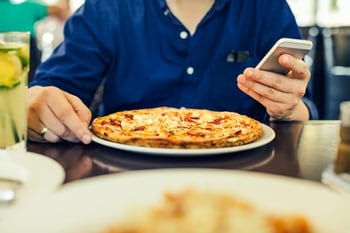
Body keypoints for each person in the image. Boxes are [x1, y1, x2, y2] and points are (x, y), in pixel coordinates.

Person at [27, 0, 319, 144]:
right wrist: (40, 102)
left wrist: (289, 109)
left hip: (247, 178)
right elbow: (53, 89)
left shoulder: (266, 7)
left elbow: (303, 108)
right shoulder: (108, 7)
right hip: (123, 177)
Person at [0, 0, 70, 81]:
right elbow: (58, 10)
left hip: (12, 45)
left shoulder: (29, 6)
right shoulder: (29, 6)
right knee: (31, 78)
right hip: (25, 45)